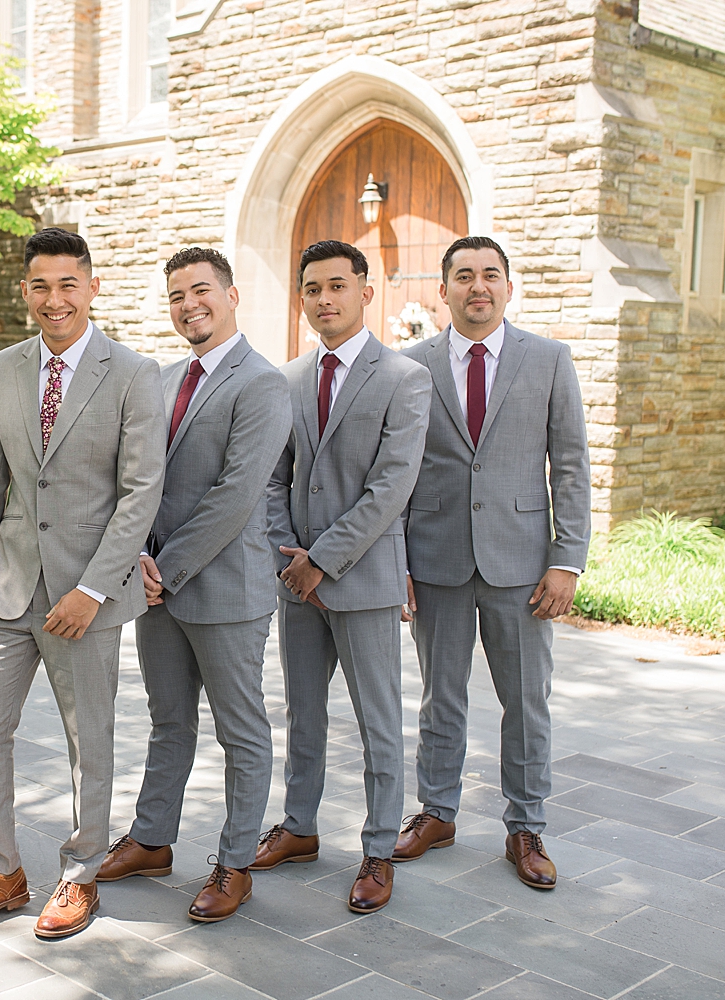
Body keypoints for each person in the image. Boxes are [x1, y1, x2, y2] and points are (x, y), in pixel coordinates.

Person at [0, 227, 165, 939]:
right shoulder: (2, 368)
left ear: (93, 287)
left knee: (86, 740)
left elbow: (140, 491)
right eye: (40, 285)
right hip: (8, 588)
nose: (54, 298)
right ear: (25, 291)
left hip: (85, 601)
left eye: (68, 283)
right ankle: (0, 870)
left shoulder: (132, 372)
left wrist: (92, 589)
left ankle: (80, 876)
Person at [97, 247, 288, 923]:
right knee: (167, 721)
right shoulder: (163, 377)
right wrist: (137, 562)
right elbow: (140, 478)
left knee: (242, 732)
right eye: (176, 295)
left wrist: (162, 570)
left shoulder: (262, 384)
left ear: (232, 296)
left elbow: (237, 496)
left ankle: (235, 862)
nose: (188, 304)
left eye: (200, 290)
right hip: (155, 589)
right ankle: (152, 838)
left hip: (223, 591)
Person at [394, 236, 590, 889]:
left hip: (524, 564)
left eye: (490, 275)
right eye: (464, 276)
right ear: (443, 289)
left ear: (509, 286)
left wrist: (568, 560)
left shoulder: (550, 360)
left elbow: (570, 467)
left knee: (527, 701)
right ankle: (437, 811)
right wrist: (396, 562)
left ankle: (526, 825)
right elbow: (395, 474)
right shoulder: (409, 366)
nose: (478, 286)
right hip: (436, 560)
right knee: (438, 697)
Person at [261, 240, 430, 914]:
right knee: (303, 712)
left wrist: (323, 558)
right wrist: (288, 553)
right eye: (312, 289)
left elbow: (394, 483)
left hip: (360, 578)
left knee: (377, 720)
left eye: (337, 285)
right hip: (294, 580)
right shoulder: (287, 377)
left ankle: (379, 848)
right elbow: (273, 478)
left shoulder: (402, 377)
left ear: (365, 289)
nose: (324, 299)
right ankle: (300, 828)